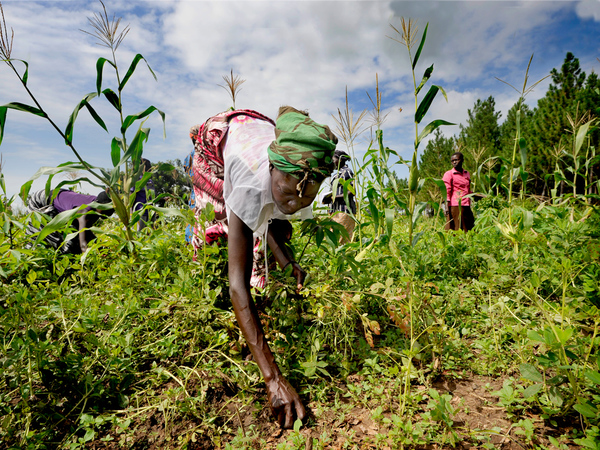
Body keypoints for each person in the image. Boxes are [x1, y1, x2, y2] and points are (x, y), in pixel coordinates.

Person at [189, 106, 337, 428]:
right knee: (216, 225)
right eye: (286, 192)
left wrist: (287, 262)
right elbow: (237, 286)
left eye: (305, 199)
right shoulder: (247, 183)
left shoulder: (296, 180)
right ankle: (201, 291)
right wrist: (273, 378)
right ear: (271, 167)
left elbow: (273, 214)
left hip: (260, 130)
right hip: (224, 139)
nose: (295, 204)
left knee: (274, 220)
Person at [27, 188, 114, 253]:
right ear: (99, 205)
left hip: (57, 194)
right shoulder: (85, 213)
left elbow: (87, 232)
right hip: (41, 200)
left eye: (113, 209)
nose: (110, 211)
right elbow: (83, 245)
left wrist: (102, 249)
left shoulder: (95, 205)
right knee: (63, 242)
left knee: (74, 236)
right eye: (107, 208)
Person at [442, 151, 475, 232]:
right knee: (456, 228)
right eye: (452, 161)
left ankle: (467, 243)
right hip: (455, 205)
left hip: (466, 205)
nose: (454, 162)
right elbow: (446, 190)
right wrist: (446, 206)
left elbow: (467, 189)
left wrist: (475, 195)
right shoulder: (449, 174)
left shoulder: (467, 173)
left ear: (462, 160)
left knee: (469, 228)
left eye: (456, 160)